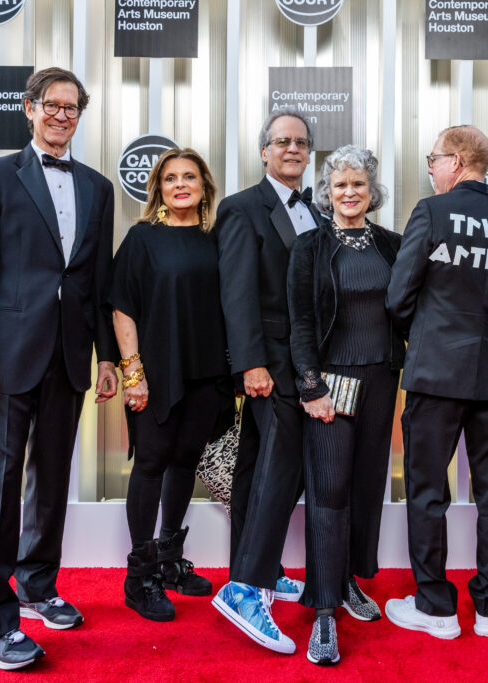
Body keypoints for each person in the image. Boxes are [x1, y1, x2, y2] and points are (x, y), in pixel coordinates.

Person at [0, 67, 118, 671]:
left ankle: (38, 587)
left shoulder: (98, 188)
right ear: (29, 108)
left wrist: (109, 358)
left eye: (73, 107)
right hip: (4, 359)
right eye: (52, 105)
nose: (62, 115)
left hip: (70, 358)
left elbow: (97, 283)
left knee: (51, 481)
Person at [383, 125, 488, 641]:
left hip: (434, 376)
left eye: (433, 159)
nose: (430, 169)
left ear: (454, 161)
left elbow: (398, 297)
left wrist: (426, 337)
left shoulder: (431, 212)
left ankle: (435, 607)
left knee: (428, 491)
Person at [212, 107, 324, 654]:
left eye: (301, 143)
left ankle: (253, 567)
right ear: (263, 151)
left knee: (258, 468)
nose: (293, 150)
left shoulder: (318, 214)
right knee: (279, 470)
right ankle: (247, 587)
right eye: (282, 142)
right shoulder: (241, 209)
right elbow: (235, 293)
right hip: (268, 365)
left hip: (303, 363)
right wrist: (249, 362)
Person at [287, 145, 403, 665]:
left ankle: (350, 579)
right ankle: (325, 612)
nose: (349, 193)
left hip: (382, 380)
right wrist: (311, 387)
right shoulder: (309, 247)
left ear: (371, 191)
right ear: (326, 192)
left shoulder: (394, 245)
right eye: (339, 185)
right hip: (331, 383)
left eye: (358, 184)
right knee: (328, 492)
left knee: (364, 486)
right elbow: (300, 324)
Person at [108, 148, 231, 622]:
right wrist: (133, 374)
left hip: (206, 373)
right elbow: (122, 306)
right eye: (171, 178)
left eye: (190, 177)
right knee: (153, 463)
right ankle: (139, 579)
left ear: (204, 186)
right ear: (157, 187)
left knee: (185, 461)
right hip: (157, 373)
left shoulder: (217, 238)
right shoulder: (142, 239)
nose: (181, 185)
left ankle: (169, 561)